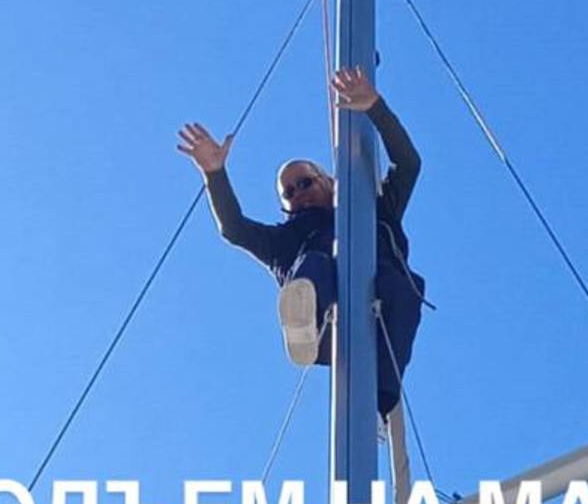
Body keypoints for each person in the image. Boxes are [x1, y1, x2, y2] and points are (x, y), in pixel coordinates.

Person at [177, 67, 425, 418]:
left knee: (401, 283)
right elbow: (233, 228)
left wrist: (375, 108)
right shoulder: (284, 241)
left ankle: (377, 405)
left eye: (305, 183)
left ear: (329, 181)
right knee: (314, 264)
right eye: (289, 193)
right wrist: (214, 173)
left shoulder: (373, 211)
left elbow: (409, 164)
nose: (298, 194)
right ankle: (304, 323)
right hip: (325, 329)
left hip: (382, 312)